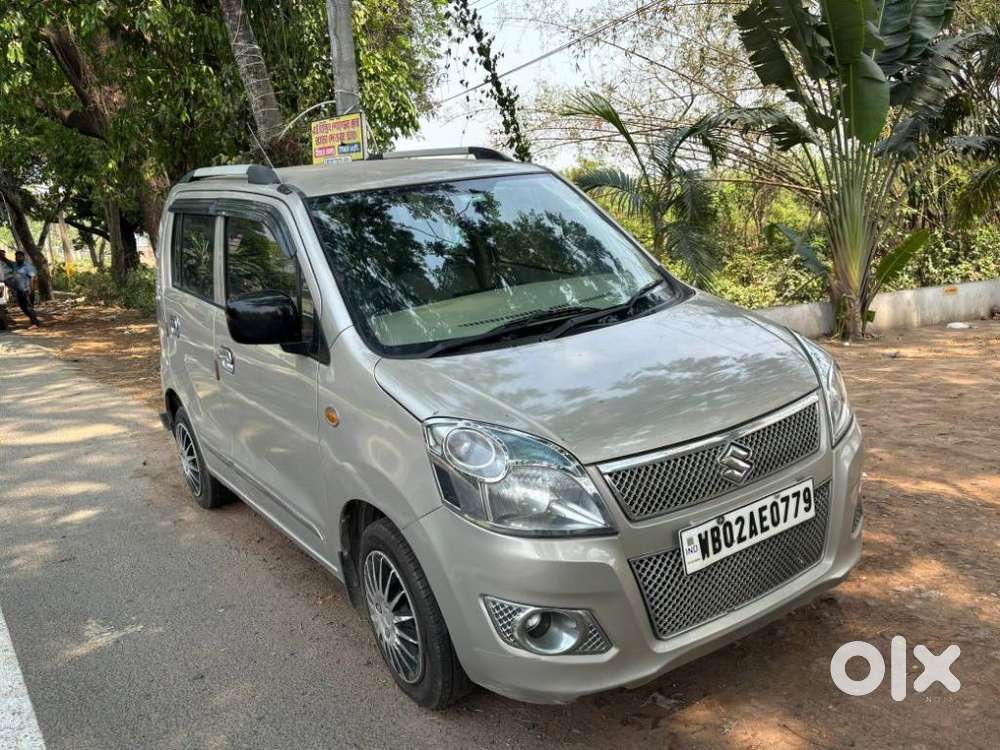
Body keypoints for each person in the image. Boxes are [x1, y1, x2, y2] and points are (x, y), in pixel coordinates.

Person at [6, 250, 40, 326]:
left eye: (19, 256)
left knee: (28, 307)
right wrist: (2, 256)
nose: (18, 258)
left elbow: (33, 278)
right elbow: (7, 261)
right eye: (16, 257)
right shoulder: (14, 265)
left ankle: (35, 323)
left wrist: (31, 289)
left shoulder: (28, 267)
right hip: (19, 291)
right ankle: (33, 320)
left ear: (23, 257)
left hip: (27, 290)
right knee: (23, 307)